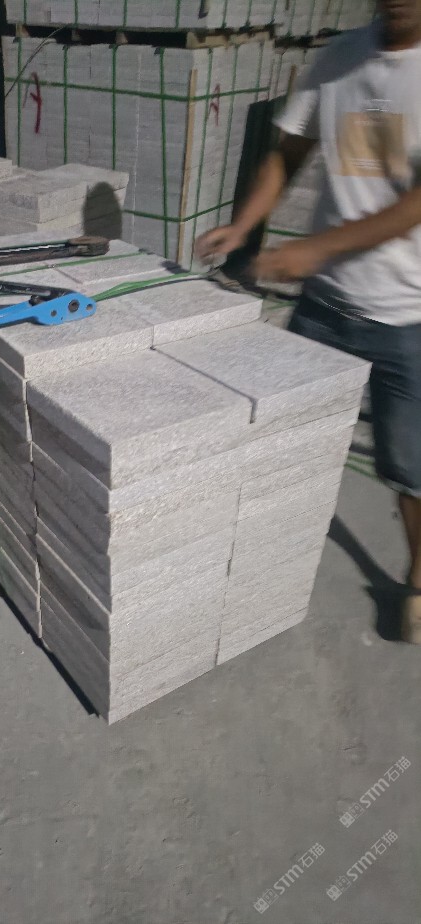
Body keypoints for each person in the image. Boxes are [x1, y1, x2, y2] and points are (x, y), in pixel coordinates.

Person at [197, 0, 421, 643]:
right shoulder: (340, 57)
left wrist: (312, 250)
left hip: (409, 316)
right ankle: (268, 561)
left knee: (410, 470)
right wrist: (243, 226)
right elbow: (287, 153)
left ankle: (418, 580)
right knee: (286, 442)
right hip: (323, 307)